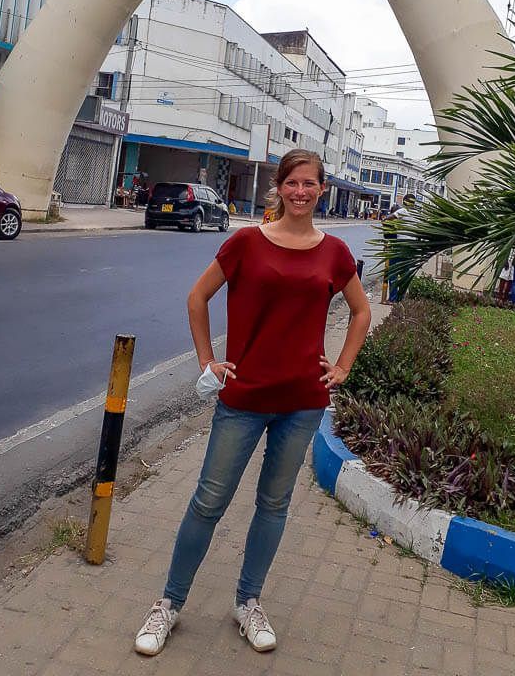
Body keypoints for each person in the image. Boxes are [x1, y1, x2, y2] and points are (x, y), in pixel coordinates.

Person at [134, 149, 371, 658]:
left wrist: (343, 366)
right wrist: (208, 361)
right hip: (243, 398)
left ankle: (248, 602)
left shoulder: (335, 252)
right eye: (293, 183)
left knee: (273, 504)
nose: (301, 192)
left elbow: (360, 311)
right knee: (208, 501)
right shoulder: (245, 242)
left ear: (321, 189)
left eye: (310, 184)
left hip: (302, 401)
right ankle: (169, 605)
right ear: (279, 188)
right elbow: (198, 298)